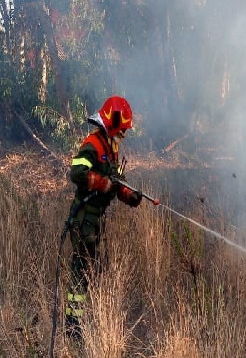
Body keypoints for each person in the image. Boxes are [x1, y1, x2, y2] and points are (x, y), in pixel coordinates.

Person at [65, 95, 142, 334]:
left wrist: (130, 195)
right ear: (112, 121)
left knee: (89, 270)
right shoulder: (93, 144)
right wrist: (101, 184)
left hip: (95, 220)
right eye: (122, 130)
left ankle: (84, 320)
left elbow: (117, 182)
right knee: (81, 272)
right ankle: (73, 327)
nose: (123, 135)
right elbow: (77, 172)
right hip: (83, 218)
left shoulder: (111, 147)